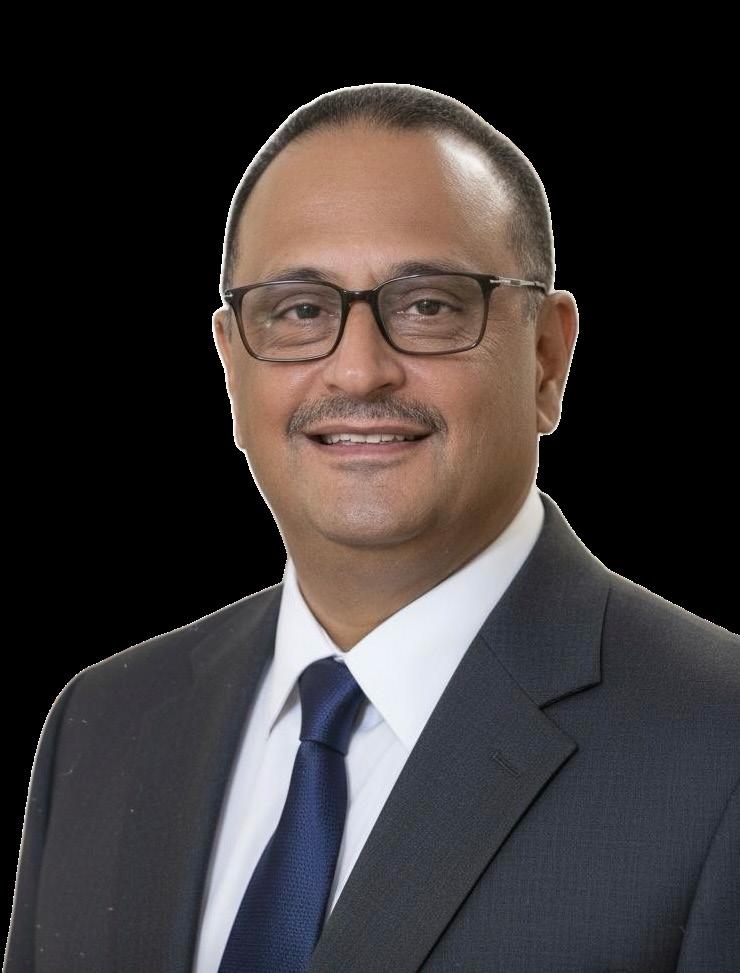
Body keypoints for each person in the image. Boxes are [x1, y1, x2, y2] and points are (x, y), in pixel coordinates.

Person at [4, 83, 739, 973]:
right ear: (232, 366)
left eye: (429, 304)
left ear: (548, 359)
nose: (358, 369)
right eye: (300, 309)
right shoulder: (103, 724)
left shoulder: (720, 743)